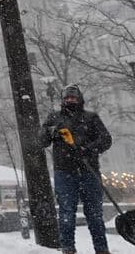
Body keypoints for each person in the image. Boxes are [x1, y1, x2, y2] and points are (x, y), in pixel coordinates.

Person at [41, 84, 113, 254]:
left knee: (95, 215)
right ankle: (68, 249)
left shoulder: (91, 118)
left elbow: (106, 139)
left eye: (73, 97)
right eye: (67, 97)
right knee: (66, 214)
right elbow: (43, 141)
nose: (70, 100)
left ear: (79, 99)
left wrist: (87, 149)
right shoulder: (54, 118)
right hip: (64, 173)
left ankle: (102, 249)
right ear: (62, 100)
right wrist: (52, 132)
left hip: (89, 172)